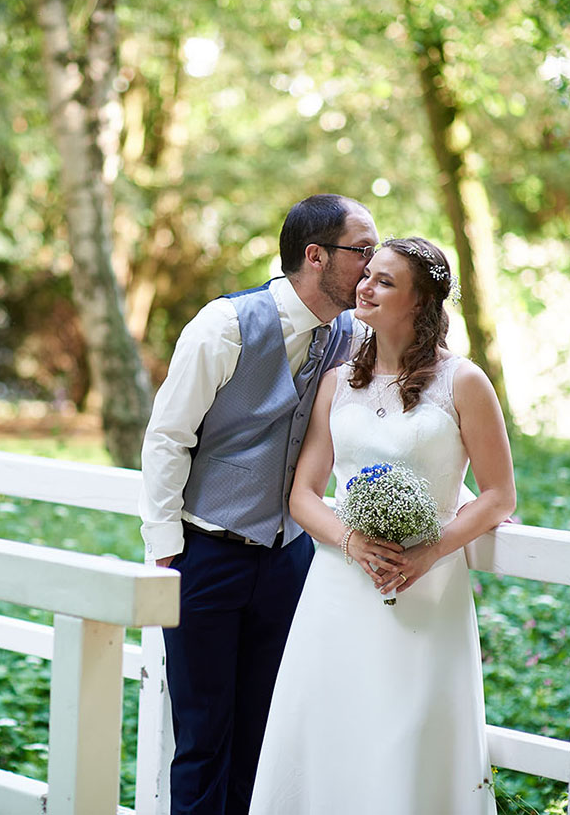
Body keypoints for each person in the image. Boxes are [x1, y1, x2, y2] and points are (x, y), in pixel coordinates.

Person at [249, 236, 516, 815]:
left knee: (407, 740)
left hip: (424, 591)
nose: (365, 286)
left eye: (385, 281)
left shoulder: (463, 382)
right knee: (330, 730)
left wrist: (428, 553)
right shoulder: (336, 383)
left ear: (422, 302)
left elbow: (499, 496)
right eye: (367, 275)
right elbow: (303, 494)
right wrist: (351, 540)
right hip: (337, 587)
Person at [139, 194, 379, 815]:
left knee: (266, 736)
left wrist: (469, 499)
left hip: (292, 563)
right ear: (316, 256)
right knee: (202, 736)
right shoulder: (225, 325)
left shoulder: (353, 337)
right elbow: (167, 435)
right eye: (364, 251)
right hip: (206, 554)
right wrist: (167, 550)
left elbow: (386, 433)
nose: (373, 267)